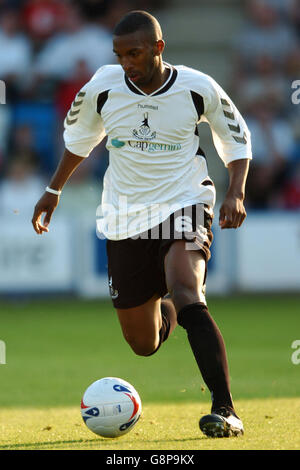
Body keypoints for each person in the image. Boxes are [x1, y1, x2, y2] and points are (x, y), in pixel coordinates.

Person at [31, 11, 252, 438]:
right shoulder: (102, 87)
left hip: (184, 201)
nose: (126, 63)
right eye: (119, 55)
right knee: (143, 344)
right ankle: (169, 308)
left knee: (188, 287)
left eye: (134, 53)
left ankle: (225, 410)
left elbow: (236, 138)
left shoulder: (196, 86)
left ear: (158, 48)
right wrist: (53, 190)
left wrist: (236, 190)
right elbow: (79, 140)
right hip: (125, 216)